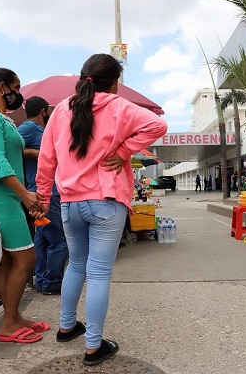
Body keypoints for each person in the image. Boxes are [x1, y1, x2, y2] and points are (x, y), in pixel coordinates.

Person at [36, 54, 167, 366]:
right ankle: (93, 346)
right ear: (114, 83)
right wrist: (122, 150)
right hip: (105, 203)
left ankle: (67, 327)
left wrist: (43, 195)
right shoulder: (117, 106)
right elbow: (157, 125)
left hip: (69, 203)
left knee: (76, 265)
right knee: (97, 273)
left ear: (84, 77)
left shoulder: (61, 110)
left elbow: (46, 157)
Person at [0, 67, 48, 344]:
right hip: (1, 195)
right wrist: (25, 194)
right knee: (26, 258)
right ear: (3, 87)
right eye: (17, 88)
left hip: (9, 195)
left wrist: (22, 195)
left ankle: (13, 316)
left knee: (7, 260)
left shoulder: (5, 120)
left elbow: (11, 156)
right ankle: (8, 323)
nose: (20, 94)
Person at [18, 96, 68, 296]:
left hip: (45, 190)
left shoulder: (42, 131)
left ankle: (42, 281)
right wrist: (37, 153)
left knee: (43, 239)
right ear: (44, 111)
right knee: (59, 240)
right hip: (45, 191)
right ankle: (52, 283)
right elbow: (13, 146)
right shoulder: (29, 128)